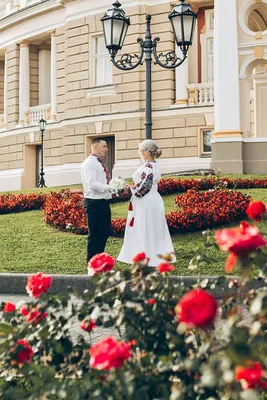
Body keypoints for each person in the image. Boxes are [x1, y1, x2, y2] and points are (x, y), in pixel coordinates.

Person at [117, 139, 176, 267]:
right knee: (154, 228)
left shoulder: (148, 167)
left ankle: (147, 256)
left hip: (146, 201)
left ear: (145, 153)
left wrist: (129, 189)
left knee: (145, 227)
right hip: (153, 199)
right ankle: (153, 255)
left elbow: (143, 188)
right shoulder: (154, 165)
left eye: (141, 151)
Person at [81, 137, 112, 263]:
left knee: (104, 232)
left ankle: (99, 262)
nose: (106, 149)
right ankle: (92, 264)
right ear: (94, 147)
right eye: (104, 146)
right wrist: (110, 188)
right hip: (93, 203)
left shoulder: (98, 162)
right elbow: (92, 184)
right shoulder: (89, 163)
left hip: (103, 202)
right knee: (94, 235)